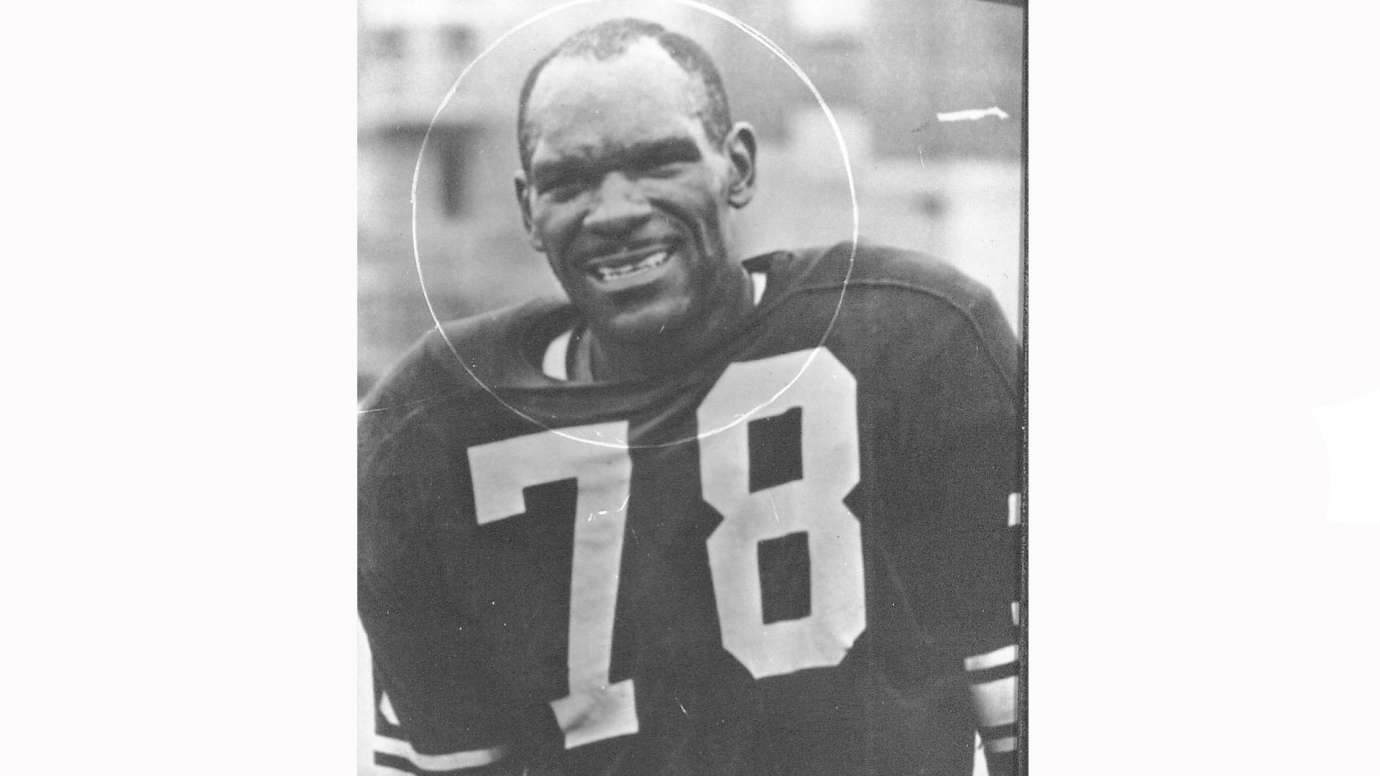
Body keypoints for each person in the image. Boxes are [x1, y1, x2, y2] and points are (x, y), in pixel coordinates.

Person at [359, 17, 1020, 776]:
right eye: (569, 182)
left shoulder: (919, 347)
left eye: (658, 163)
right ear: (527, 209)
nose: (614, 212)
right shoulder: (432, 423)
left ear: (737, 166)